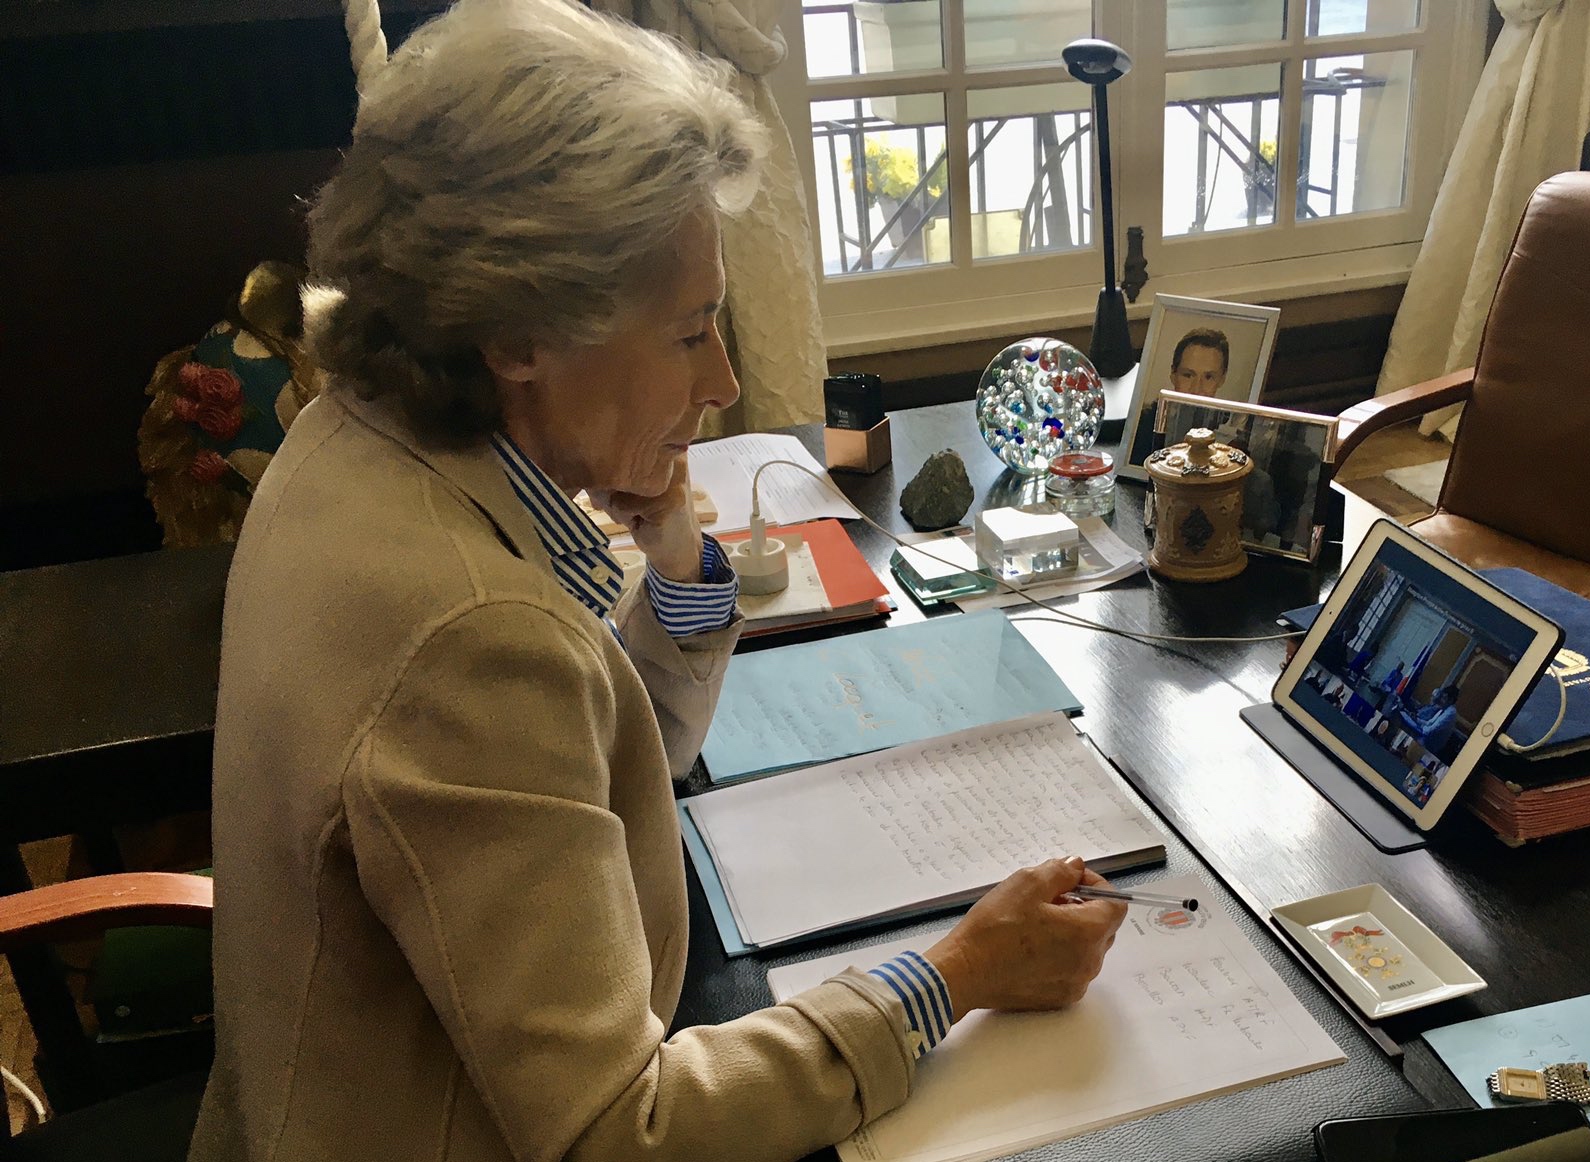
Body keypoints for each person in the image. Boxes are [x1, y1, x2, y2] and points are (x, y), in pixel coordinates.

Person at [194, 4, 1126, 1160]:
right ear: (518, 335)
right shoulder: (469, 632)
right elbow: (620, 1129)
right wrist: (956, 972)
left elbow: (613, 748)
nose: (723, 380)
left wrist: (676, 549)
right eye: (688, 334)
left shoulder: (351, 438)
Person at [1132, 327, 1231, 463]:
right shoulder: (1143, 425)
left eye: (1208, 377)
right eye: (1188, 375)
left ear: (1222, 379)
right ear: (1173, 374)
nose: (1197, 389)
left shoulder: (1230, 435)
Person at [1397, 684, 1463, 756]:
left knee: (1405, 727)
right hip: (1425, 738)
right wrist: (1416, 719)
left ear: (1451, 700)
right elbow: (1429, 723)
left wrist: (1417, 726)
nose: (1440, 700)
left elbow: (1428, 731)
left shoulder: (1450, 713)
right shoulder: (1444, 709)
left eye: (1444, 698)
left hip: (1428, 745)